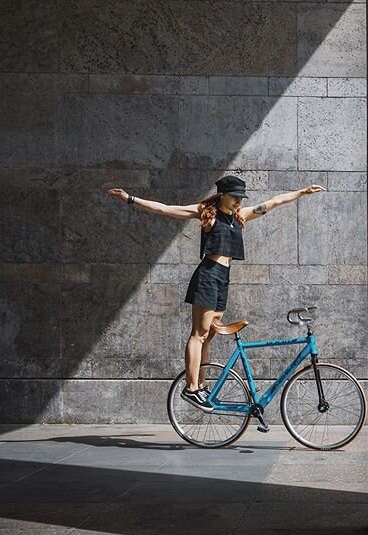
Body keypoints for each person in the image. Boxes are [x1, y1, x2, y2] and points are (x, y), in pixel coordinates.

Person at [106, 175, 325, 412]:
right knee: (199, 334)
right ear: (222, 195)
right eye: (234, 198)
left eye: (241, 198)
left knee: (210, 334)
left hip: (223, 279)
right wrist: (130, 199)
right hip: (208, 276)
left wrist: (302, 192)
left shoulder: (240, 216)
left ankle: (202, 385)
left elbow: (273, 202)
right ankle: (191, 388)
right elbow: (166, 209)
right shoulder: (205, 212)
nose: (238, 202)